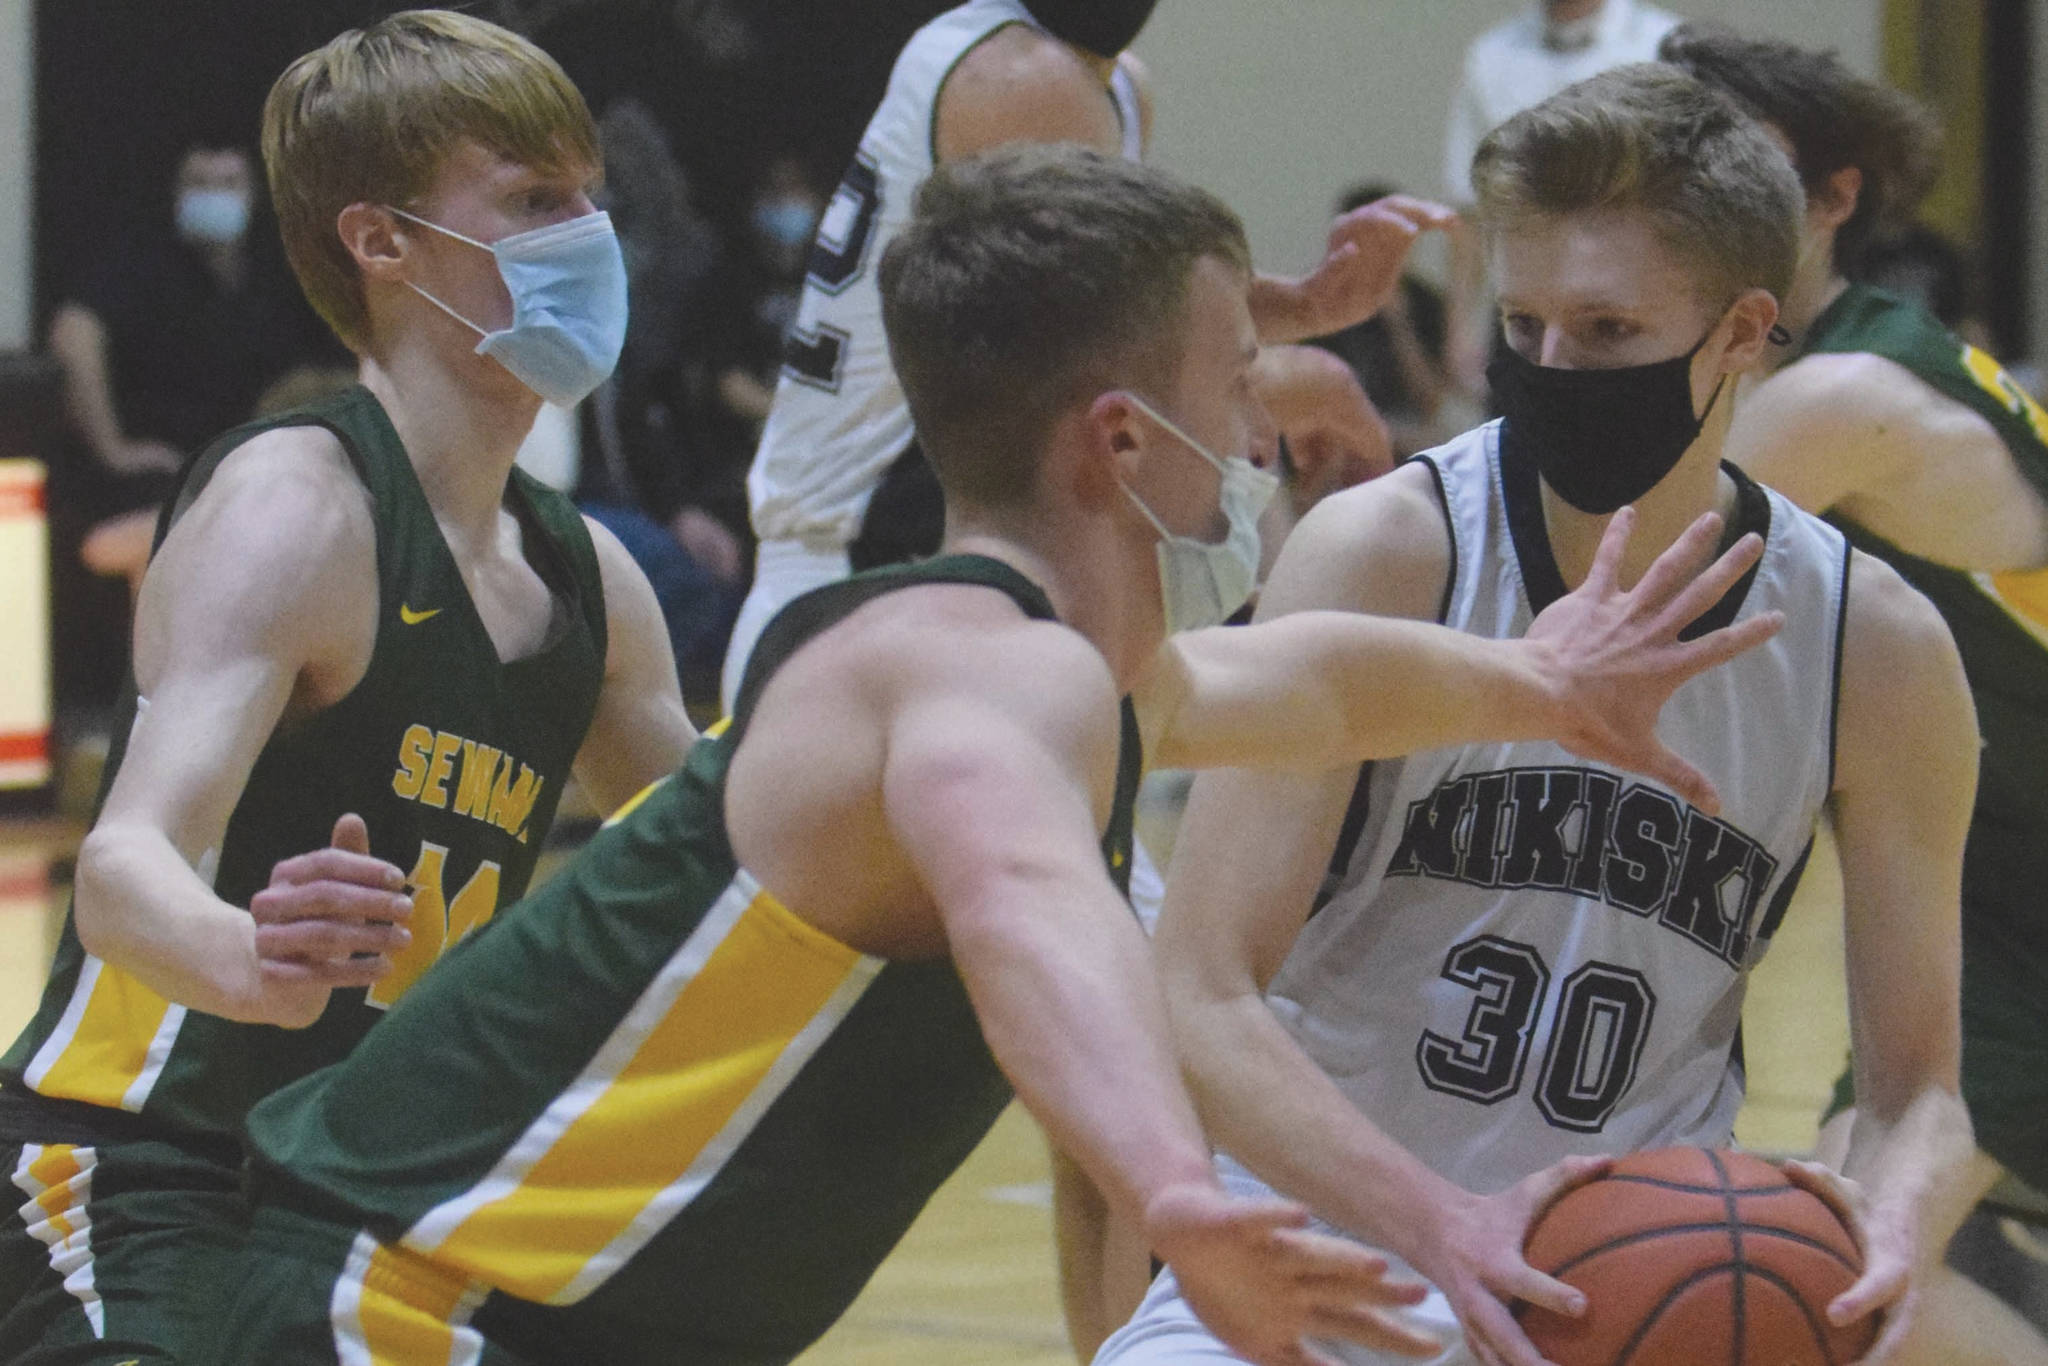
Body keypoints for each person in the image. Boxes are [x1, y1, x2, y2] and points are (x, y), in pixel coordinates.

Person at [211, 144, 1775, 1366]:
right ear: (1114, 439)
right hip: (389, 1305)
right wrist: (1178, 1186)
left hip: (534, 1312)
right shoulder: (979, 681)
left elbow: (1299, 682)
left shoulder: (1057, 670)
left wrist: (1539, 676)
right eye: (1236, 381)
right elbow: (1027, 889)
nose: (1257, 437)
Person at [1096, 66, 1983, 1366]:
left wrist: (1894, 1225)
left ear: (1743, 332)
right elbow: (1202, 992)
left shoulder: (1878, 647)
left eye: (1610, 332)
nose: (1557, 368)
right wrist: (1449, 1225)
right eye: (1526, 327)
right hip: (1331, 1270)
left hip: (1633, 1298)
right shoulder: (1392, 553)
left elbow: (1922, 1088)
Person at [0, 13, 695, 1363]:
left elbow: (734, 849)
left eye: (592, 200)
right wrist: (246, 959)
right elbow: (122, 862)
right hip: (137, 1165)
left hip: (349, 1197)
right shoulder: (298, 509)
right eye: (537, 202)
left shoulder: (593, 581)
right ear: (380, 243)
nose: (590, 238)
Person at [722, 0, 1451, 711]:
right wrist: (1306, 380)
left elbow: (1120, 305)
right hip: (863, 588)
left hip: (946, 585)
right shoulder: (1020, 79)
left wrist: (1307, 309)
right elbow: (1089, 361)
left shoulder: (1103, 78)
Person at [1663, 24, 2048, 1356]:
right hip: (1988, 902)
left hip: (2019, 906)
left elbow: (1602, 586)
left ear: (1834, 200)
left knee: (1836, 1268)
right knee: (1842, 1260)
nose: (1690, 193)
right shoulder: (1815, 363)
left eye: (1737, 164)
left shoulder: (1837, 397)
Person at [43, 143, 339, 704]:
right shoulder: (139, 262)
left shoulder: (280, 273)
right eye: (199, 183)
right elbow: (74, 332)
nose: (214, 197)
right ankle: (161, 698)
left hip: (264, 463)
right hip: (168, 466)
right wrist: (112, 447)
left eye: (227, 184)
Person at [1440, 0, 1680, 402]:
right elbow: (1470, 207)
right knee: (1514, 456)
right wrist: (1458, 326)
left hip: (1629, 312)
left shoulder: (1664, 45)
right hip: (1520, 318)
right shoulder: (1492, 54)